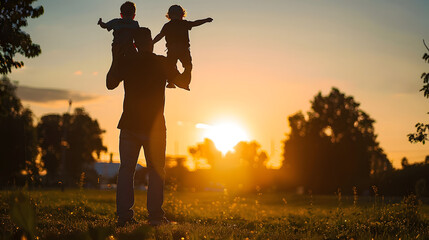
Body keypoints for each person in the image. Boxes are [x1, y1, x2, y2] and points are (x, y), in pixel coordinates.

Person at [107, 27, 190, 227]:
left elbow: (110, 84)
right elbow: (184, 83)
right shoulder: (162, 62)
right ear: (152, 42)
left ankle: (124, 218)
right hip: (155, 128)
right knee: (156, 171)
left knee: (127, 170)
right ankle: (155, 217)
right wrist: (187, 63)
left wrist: (115, 58)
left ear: (135, 44)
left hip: (130, 125)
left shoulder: (127, 62)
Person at [153, 4, 213, 90]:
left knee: (173, 65)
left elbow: (160, 35)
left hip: (175, 49)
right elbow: (195, 23)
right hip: (181, 49)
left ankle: (173, 81)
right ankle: (178, 81)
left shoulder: (170, 25)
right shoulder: (182, 24)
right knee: (186, 66)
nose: (176, 17)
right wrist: (205, 20)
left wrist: (152, 42)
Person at [98, 1, 139, 82]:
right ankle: (121, 70)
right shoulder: (133, 23)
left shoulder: (117, 22)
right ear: (134, 15)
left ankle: (123, 69)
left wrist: (101, 23)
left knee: (121, 59)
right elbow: (138, 36)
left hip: (122, 46)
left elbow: (105, 25)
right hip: (120, 46)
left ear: (121, 14)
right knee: (120, 59)